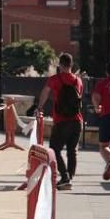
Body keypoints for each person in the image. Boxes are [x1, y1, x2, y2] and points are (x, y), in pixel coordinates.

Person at [36, 53, 83, 191]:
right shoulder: (78, 81)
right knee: (72, 150)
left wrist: (39, 107)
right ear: (71, 64)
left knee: (55, 149)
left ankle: (65, 177)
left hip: (62, 121)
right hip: (77, 121)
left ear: (60, 65)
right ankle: (69, 178)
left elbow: (45, 92)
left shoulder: (54, 79)